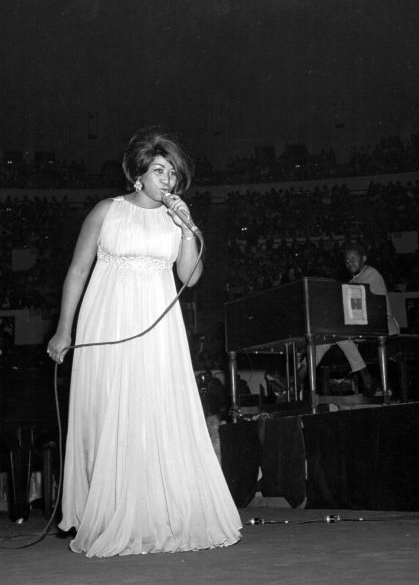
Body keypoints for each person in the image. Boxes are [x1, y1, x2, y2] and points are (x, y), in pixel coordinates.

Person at [47, 127, 241, 557]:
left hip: (157, 331)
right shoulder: (106, 211)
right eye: (158, 170)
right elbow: (77, 271)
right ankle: (112, 512)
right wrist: (65, 329)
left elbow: (190, 277)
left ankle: (154, 516)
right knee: (108, 412)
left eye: (172, 172)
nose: (167, 179)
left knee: (153, 412)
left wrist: (187, 227)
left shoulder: (177, 220)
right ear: (138, 174)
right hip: (107, 323)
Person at [316, 243, 399, 395]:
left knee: (338, 331)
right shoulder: (352, 281)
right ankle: (301, 370)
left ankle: (364, 373)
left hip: (381, 323)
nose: (349, 263)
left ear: (364, 259)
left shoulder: (371, 274)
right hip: (364, 326)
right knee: (325, 336)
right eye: (347, 261)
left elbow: (359, 306)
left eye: (353, 259)